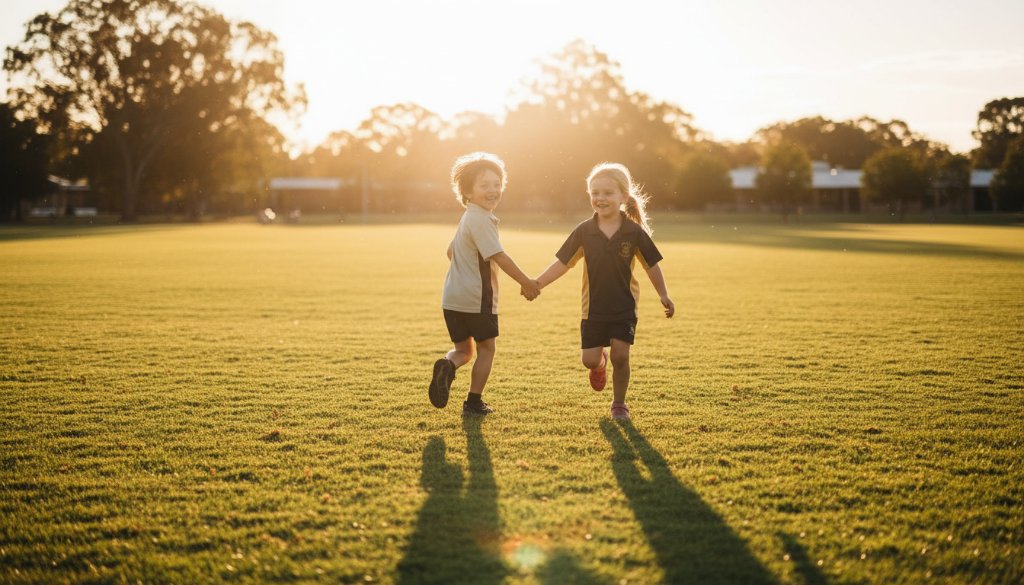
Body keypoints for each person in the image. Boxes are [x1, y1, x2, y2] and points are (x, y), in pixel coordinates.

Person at [534, 162, 675, 421]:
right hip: (593, 308)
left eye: (608, 193)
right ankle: (600, 363)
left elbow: (652, 265)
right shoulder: (584, 231)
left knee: (622, 356)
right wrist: (538, 283)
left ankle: (619, 404)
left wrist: (663, 294)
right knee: (589, 359)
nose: (600, 198)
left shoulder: (634, 232)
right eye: (595, 192)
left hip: (624, 307)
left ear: (623, 196)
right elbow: (563, 263)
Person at [429, 152, 541, 416]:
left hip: (452, 298)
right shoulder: (481, 219)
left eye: (497, 183)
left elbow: (450, 252)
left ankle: (447, 365)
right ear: (468, 191)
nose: (493, 190)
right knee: (487, 349)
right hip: (476, 299)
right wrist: (527, 283)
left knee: (462, 351)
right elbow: (499, 256)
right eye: (484, 185)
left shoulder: (468, 217)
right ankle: (474, 402)